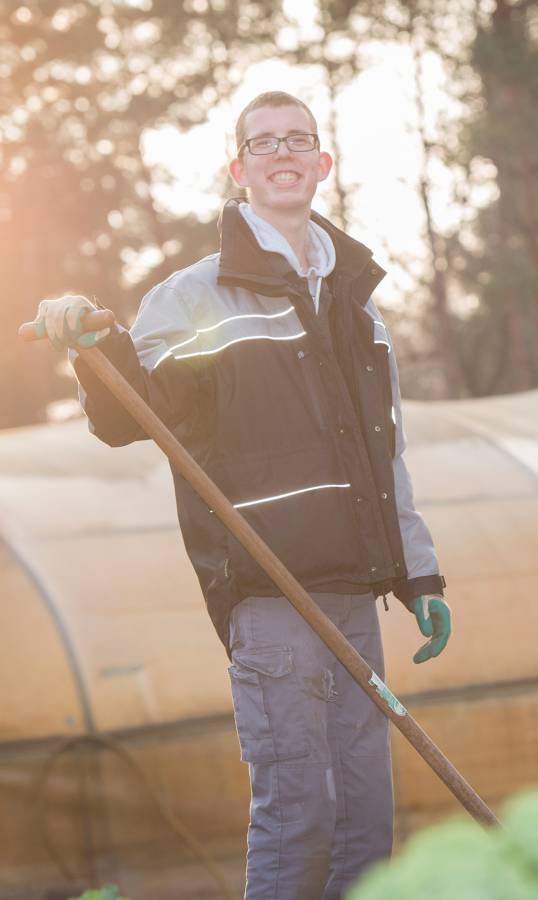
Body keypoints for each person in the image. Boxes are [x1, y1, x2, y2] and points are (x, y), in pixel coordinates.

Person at [33, 91, 450, 897]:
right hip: (269, 592)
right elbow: (134, 418)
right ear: (240, 170)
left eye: (299, 140)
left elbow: (383, 455)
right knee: (302, 813)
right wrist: (94, 346)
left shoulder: (359, 305)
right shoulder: (192, 295)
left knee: (366, 823)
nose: (282, 153)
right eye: (263, 144)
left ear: (323, 163)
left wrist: (420, 572)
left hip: (355, 596)